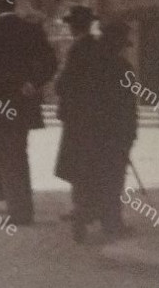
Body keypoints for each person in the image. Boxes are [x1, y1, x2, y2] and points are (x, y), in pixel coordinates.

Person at [0, 0, 59, 226]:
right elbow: (51, 61)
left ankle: (18, 209)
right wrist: (34, 81)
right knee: (19, 151)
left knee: (6, 155)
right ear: (14, 3)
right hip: (24, 100)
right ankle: (23, 208)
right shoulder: (32, 30)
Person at [57, 14, 138, 241]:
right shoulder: (123, 67)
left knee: (85, 174)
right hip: (111, 134)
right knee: (112, 176)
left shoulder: (81, 59)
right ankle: (111, 222)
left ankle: (82, 215)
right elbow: (128, 107)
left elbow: (62, 86)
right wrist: (130, 134)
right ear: (119, 43)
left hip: (82, 130)